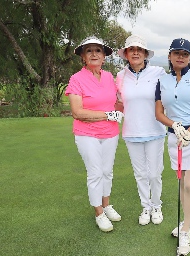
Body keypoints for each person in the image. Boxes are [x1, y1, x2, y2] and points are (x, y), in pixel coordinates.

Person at [155, 38, 190, 256]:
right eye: (176, 53)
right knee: (181, 182)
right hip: (174, 137)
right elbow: (159, 113)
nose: (181, 57)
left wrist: (189, 131)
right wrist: (175, 125)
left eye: (185, 54)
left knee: (189, 184)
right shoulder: (163, 81)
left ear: (189, 57)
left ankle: (185, 230)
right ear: (169, 56)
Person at [65, 36, 124, 232]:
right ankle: (98, 212)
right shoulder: (76, 79)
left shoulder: (109, 77)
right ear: (83, 56)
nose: (94, 54)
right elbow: (77, 112)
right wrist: (107, 114)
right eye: (89, 50)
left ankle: (106, 205)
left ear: (104, 56)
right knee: (95, 173)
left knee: (107, 171)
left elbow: (116, 102)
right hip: (86, 133)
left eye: (98, 51)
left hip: (110, 132)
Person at [115, 35, 167, 226]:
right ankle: (146, 206)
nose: (135, 52)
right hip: (131, 132)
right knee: (140, 174)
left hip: (155, 130)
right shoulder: (120, 77)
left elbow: (176, 83)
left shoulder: (158, 72)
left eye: (139, 49)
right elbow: (117, 102)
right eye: (131, 49)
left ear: (145, 54)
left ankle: (156, 205)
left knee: (154, 173)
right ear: (126, 54)